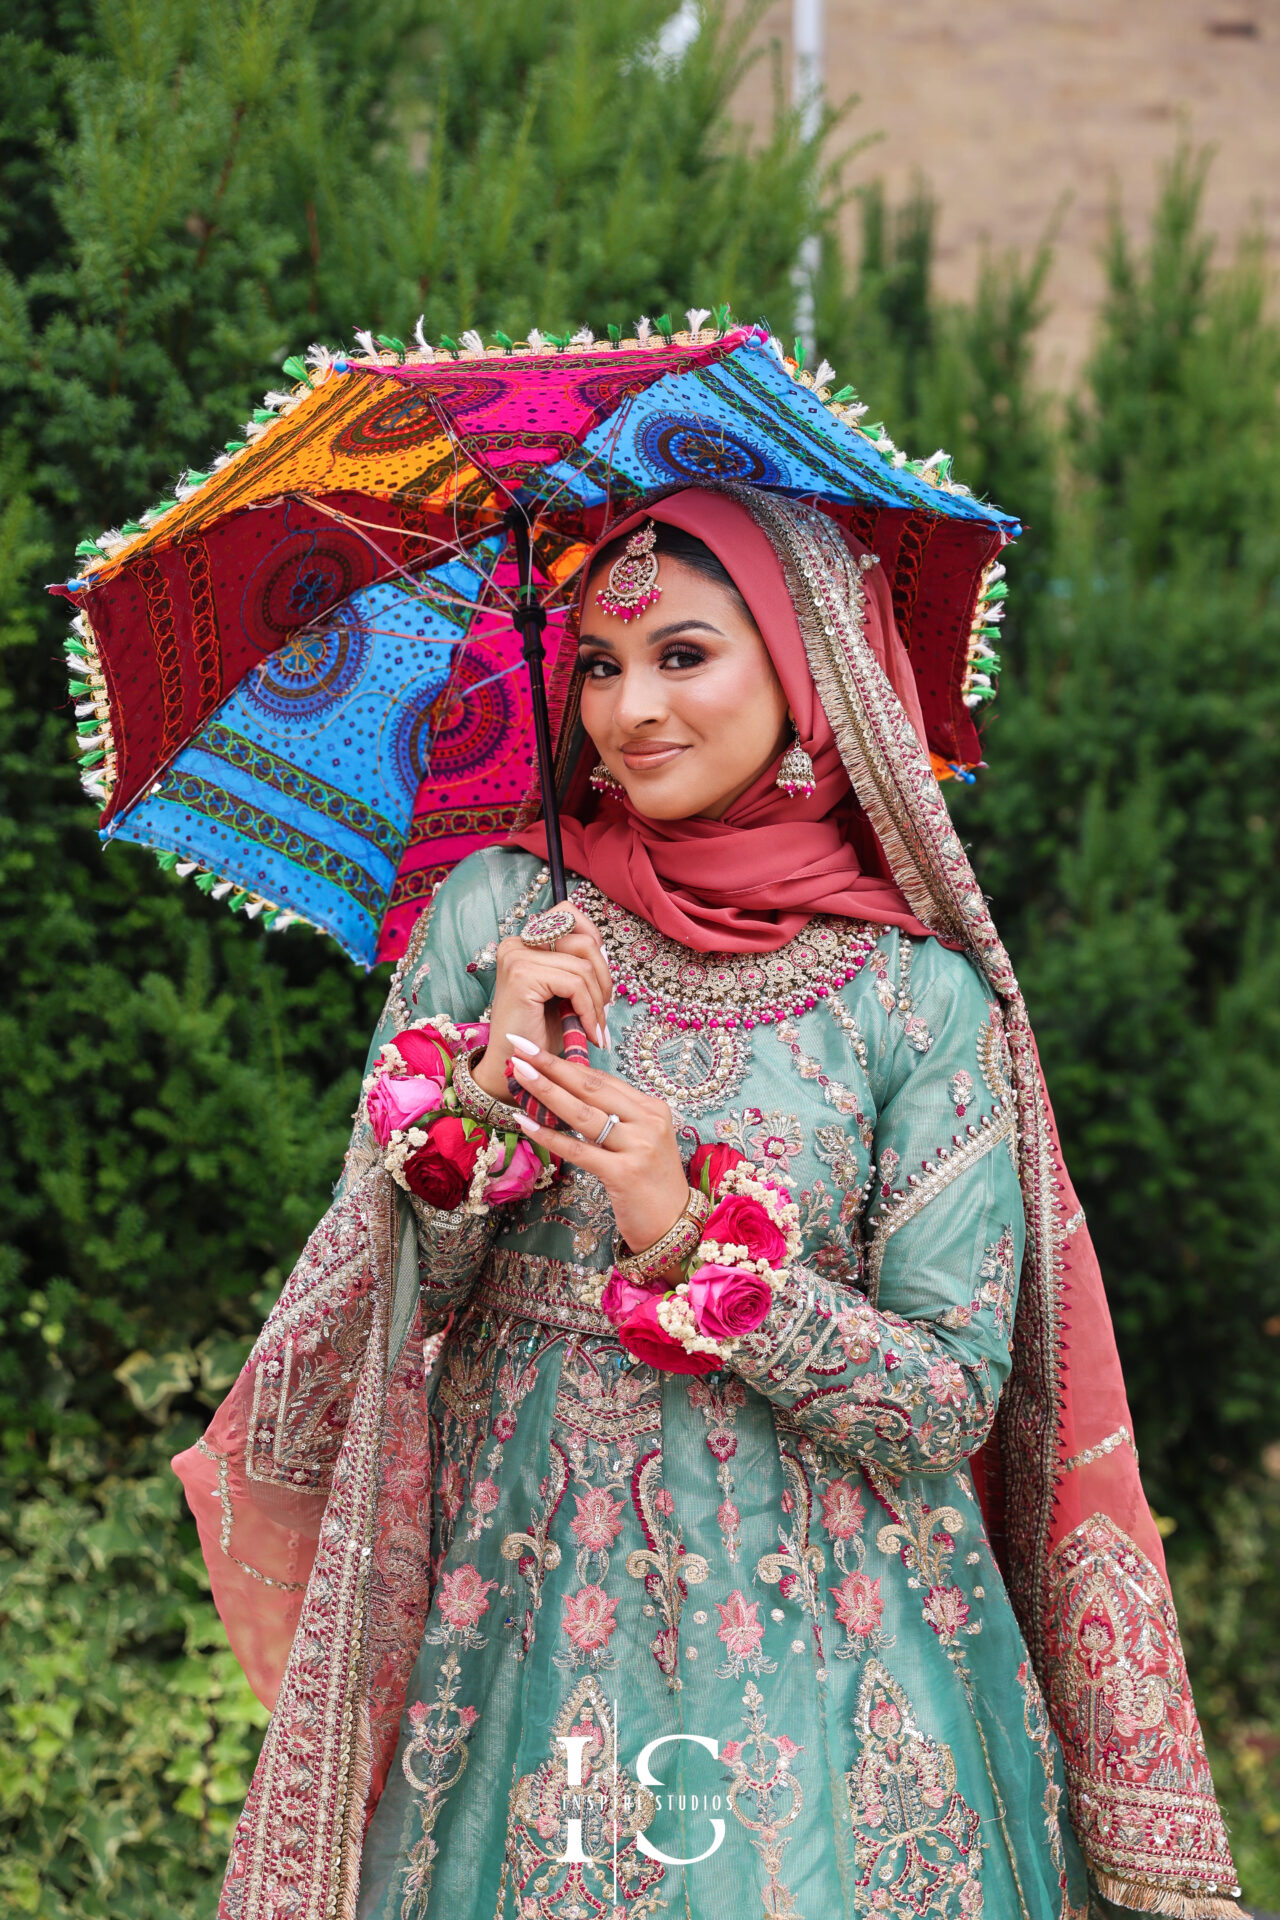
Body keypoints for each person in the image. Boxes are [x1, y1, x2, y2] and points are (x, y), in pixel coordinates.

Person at [174, 486, 1240, 1920]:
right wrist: (486, 1093)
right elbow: (384, 1305)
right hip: (522, 1642)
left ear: (805, 677)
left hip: (842, 1666)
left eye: (685, 656)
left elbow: (945, 1403)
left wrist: (686, 1239)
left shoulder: (915, 1001)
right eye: (602, 668)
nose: (629, 709)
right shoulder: (498, 922)